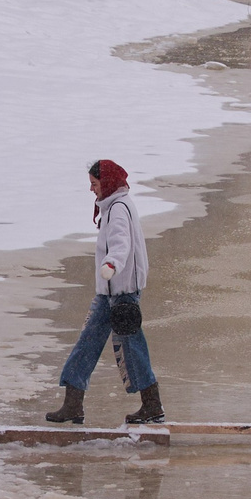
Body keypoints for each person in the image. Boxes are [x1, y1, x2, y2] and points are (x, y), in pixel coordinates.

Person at [46, 159, 161, 426]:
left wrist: (111, 264)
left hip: (123, 294)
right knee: (88, 341)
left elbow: (121, 243)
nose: (91, 190)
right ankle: (73, 404)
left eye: (94, 184)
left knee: (132, 349)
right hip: (109, 293)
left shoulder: (119, 208)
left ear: (107, 182)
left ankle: (152, 406)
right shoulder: (112, 205)